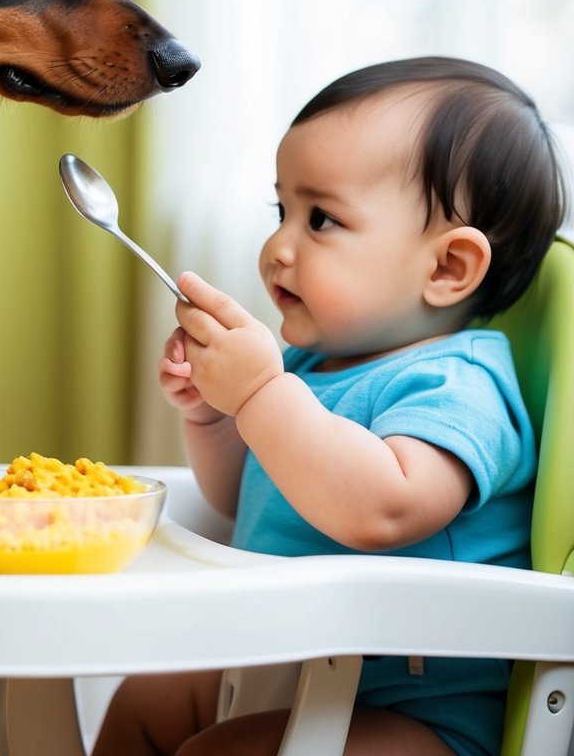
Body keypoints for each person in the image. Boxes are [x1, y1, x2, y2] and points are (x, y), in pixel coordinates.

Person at [92, 57, 568, 756]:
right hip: (292, 670)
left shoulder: (457, 384)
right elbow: (248, 496)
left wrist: (258, 394)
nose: (278, 247)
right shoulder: (311, 369)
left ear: (447, 269)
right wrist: (215, 415)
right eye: (280, 210)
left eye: (321, 219)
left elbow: (381, 506)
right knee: (148, 697)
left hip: (422, 722)